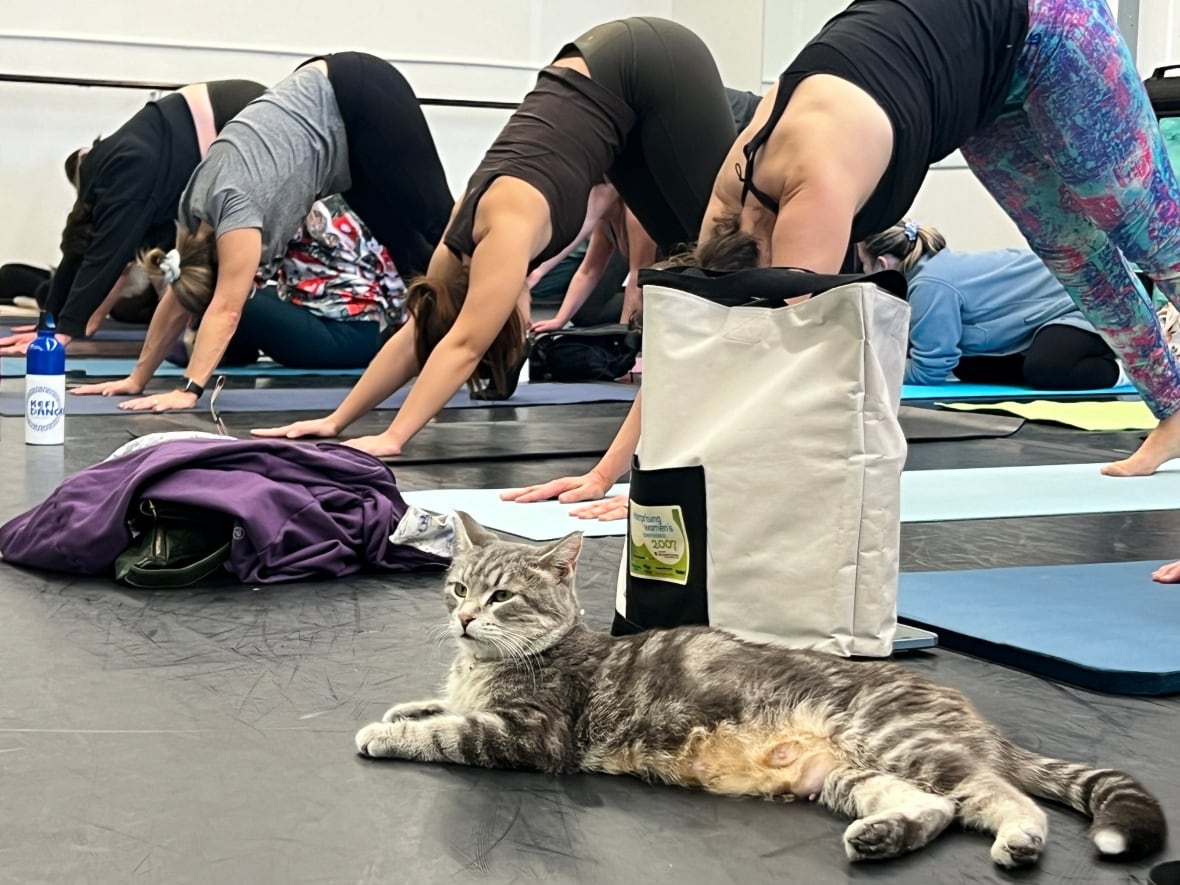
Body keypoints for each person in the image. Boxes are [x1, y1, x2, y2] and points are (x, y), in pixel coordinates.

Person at [504, 0, 1180, 520]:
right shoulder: (727, 191)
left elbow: (782, 375)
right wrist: (612, 471)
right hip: (984, 89)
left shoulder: (813, 192)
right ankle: (1174, 408)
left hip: (1046, 27)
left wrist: (670, 495)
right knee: (1077, 260)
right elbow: (697, 342)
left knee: (1155, 238)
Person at [252, 17, 738, 456]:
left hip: (656, 60)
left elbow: (463, 345)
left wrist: (393, 436)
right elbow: (420, 335)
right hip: (602, 78)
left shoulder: (502, 232)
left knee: (729, 262)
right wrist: (335, 421)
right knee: (693, 277)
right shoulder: (455, 252)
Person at [70, 51, 453, 411]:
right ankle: (462, 350)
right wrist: (137, 378)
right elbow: (181, 292)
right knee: (414, 260)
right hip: (333, 114)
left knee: (440, 231)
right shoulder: (193, 216)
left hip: (362, 94)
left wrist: (189, 391)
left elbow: (228, 307)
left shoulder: (237, 215)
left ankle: (496, 325)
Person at [0, 78, 267, 355]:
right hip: (215, 117)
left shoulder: (125, 181)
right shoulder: (104, 171)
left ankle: (218, 335)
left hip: (238, 115)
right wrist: (48, 324)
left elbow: (108, 256)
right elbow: (77, 249)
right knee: (177, 246)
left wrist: (65, 330)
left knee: (201, 244)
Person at [859, 219, 1123, 389]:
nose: (864, 270)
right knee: (968, 366)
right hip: (1044, 312)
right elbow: (942, 356)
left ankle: (1124, 370)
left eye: (865, 264)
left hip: (1091, 300)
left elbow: (930, 371)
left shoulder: (931, 286)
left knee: (1047, 369)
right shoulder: (930, 275)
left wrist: (872, 369)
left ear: (882, 264)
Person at [215, 194, 409, 369]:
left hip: (337, 337)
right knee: (250, 296)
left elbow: (257, 270)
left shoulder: (297, 205)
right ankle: (235, 348)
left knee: (234, 296)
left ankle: (227, 352)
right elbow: (388, 269)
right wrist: (400, 328)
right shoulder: (345, 203)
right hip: (363, 334)